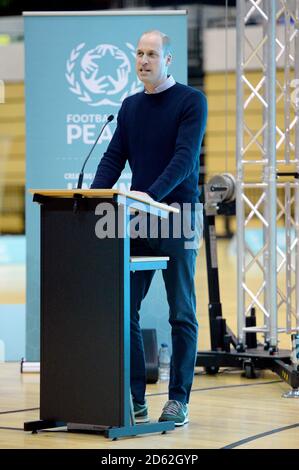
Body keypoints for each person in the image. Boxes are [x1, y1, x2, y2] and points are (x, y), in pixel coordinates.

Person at [91, 30, 207, 426]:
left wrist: (149, 196)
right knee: (124, 308)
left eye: (152, 54)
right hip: (140, 217)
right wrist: (89, 199)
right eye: (139, 53)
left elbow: (184, 160)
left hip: (180, 216)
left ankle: (178, 400)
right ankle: (135, 397)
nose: (143, 60)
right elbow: (113, 159)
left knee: (181, 312)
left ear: (168, 60)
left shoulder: (192, 101)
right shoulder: (129, 106)